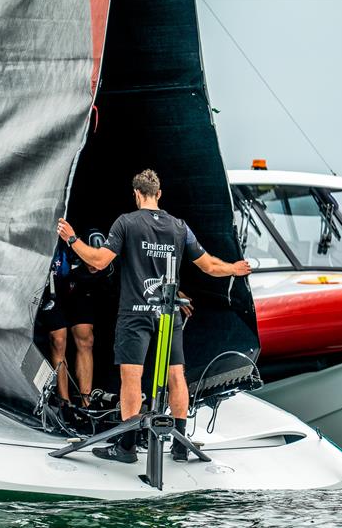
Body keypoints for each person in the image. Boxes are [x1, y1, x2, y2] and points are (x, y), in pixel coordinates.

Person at [56, 169, 251, 463]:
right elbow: (209, 265)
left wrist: (72, 239)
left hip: (136, 314)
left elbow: (99, 260)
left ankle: (127, 447)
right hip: (168, 313)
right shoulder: (179, 227)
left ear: (136, 195)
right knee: (176, 375)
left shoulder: (126, 223)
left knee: (131, 378)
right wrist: (234, 268)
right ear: (159, 194)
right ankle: (181, 445)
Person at [40, 231, 112, 409]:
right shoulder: (68, 254)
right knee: (59, 339)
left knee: (86, 339)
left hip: (78, 292)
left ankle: (86, 401)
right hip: (53, 290)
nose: (95, 267)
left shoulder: (105, 263)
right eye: (91, 261)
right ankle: (64, 401)